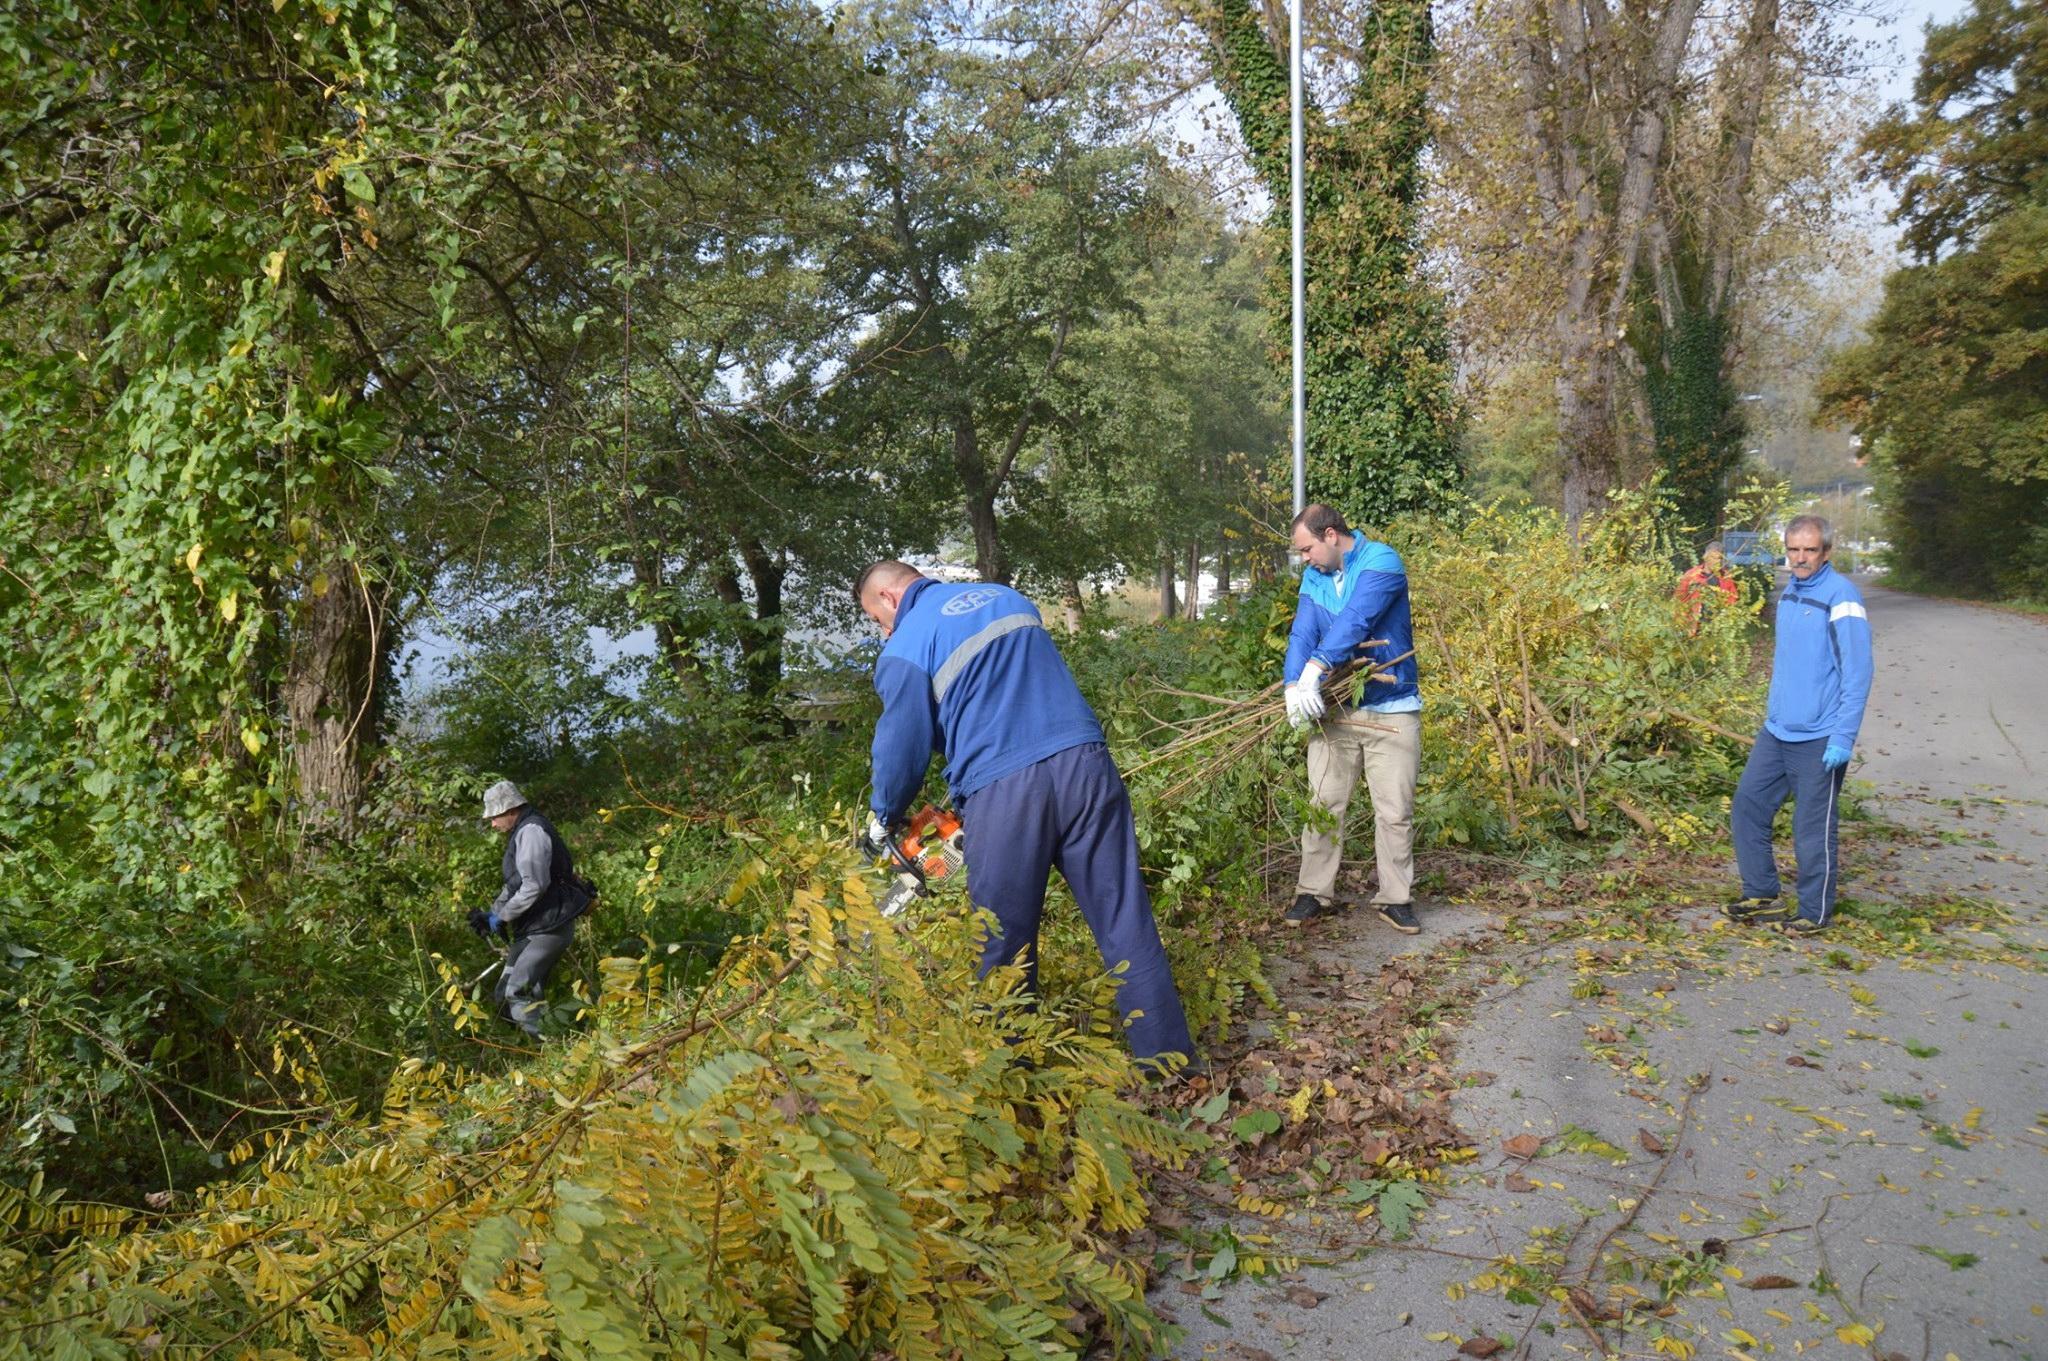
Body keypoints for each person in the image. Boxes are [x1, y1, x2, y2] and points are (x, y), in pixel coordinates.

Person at [854, 560, 1196, 1069]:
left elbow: (903, 745)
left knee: (1001, 941)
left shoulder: (906, 644)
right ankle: (1172, 1067)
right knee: (1125, 920)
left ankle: (1011, 1087)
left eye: (878, 622)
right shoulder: (1005, 597)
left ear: (888, 599)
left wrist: (883, 815)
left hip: (1006, 792)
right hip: (1086, 766)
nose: (884, 632)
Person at [1724, 515, 1873, 935]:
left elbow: (1858, 671)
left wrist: (1842, 736)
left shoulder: (1841, 597)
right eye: (1794, 549)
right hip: (1778, 731)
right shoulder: (1791, 591)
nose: (1801, 558)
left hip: (1820, 737)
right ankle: (1762, 894)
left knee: (1811, 829)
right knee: (1749, 804)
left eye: (1810, 550)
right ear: (1786, 550)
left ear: (1826, 552)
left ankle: (1813, 912)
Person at [1281, 505, 1424, 933]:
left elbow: (1356, 619)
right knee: (1323, 803)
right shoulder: (1315, 577)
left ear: (1330, 535)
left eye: (1307, 549)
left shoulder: (1381, 560)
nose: (1304, 558)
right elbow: (1302, 630)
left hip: (1393, 705)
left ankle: (1395, 899)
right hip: (1337, 709)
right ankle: (1313, 892)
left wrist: (1315, 668)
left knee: (1395, 810)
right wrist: (1293, 684)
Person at [474, 779, 592, 1038]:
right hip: (535, 927)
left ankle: (551, 1050)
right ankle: (536, 1047)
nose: (493, 824)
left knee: (516, 993)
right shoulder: (522, 831)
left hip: (547, 926)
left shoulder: (531, 832)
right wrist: (492, 913)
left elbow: (535, 885)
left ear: (510, 810)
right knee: (504, 996)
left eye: (494, 817)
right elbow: (516, 882)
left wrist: (502, 917)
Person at [1676, 540, 1740, 633]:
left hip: (1717, 626)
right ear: (1705, 557)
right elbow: (1679, 599)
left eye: (1719, 558)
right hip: (1694, 625)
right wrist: (1681, 622)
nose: (1716, 561)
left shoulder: (1726, 576)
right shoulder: (1692, 575)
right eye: (1712, 557)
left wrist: (1726, 616)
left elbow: (1732, 598)